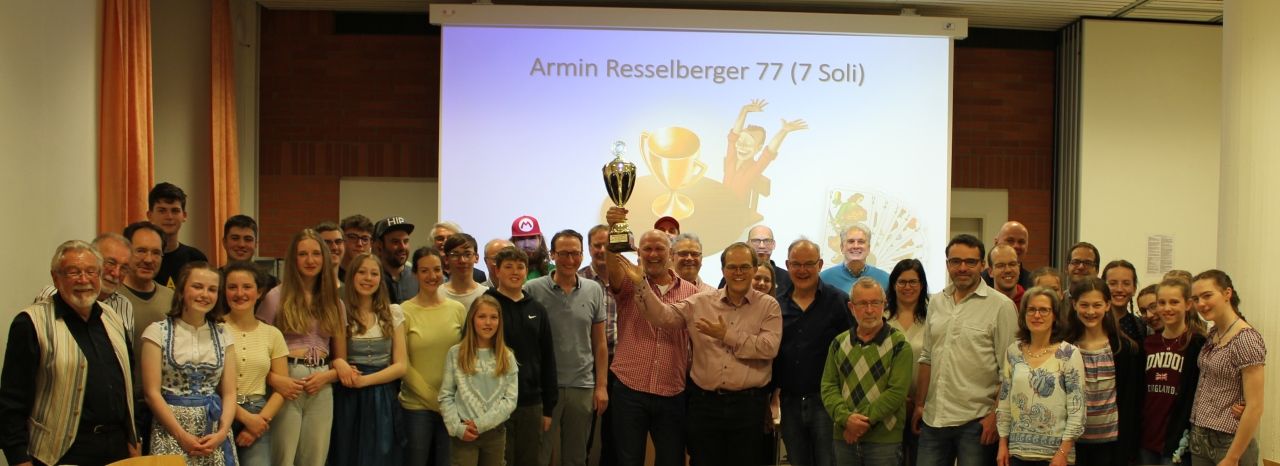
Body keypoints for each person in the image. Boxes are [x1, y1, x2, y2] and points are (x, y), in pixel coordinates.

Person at [618, 241, 782, 466]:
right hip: (705, 405)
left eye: (744, 267)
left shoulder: (769, 306)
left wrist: (726, 335)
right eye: (732, 267)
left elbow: (769, 347)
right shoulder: (700, 301)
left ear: (754, 269)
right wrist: (641, 284)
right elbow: (663, 317)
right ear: (723, 270)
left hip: (748, 406)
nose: (738, 272)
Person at [1, 241, 138, 466]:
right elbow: (12, 401)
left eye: (91, 272)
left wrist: (133, 438)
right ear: (56, 278)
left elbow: (128, 383)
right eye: (73, 272)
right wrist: (19, 458)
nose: (83, 280)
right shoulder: (30, 323)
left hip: (116, 449)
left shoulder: (113, 318)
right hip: (61, 454)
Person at [602, 214, 699, 466]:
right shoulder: (627, 283)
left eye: (659, 249)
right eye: (647, 249)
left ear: (671, 254)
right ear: (638, 253)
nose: (653, 254)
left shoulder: (691, 292)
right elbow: (612, 265)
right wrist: (614, 228)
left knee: (671, 460)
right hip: (629, 389)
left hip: (671, 391)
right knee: (628, 460)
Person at [913, 234, 1018, 466]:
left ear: (983, 265)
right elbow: (927, 357)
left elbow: (1010, 370)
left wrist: (996, 416)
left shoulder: (1001, 306)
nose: (962, 268)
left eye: (970, 262)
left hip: (976, 422)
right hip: (933, 419)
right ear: (947, 264)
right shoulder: (937, 301)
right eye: (955, 261)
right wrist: (920, 404)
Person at [257, 229, 349, 466]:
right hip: (287, 383)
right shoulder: (275, 297)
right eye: (303, 254)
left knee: (315, 459)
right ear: (293, 259)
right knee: (283, 458)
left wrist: (326, 376)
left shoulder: (335, 302)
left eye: (316, 254)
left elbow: (341, 360)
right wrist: (275, 380)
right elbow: (257, 351)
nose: (310, 260)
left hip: (321, 385)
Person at [140, 262, 238, 465]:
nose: (205, 294)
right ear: (182, 289)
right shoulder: (157, 332)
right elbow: (151, 393)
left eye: (212, 289)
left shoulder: (224, 334)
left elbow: (229, 393)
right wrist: (181, 435)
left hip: (213, 431)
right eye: (197, 286)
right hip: (171, 430)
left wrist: (222, 433)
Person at [525, 230, 607, 466]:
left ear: (582, 255)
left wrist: (601, 386)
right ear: (552, 254)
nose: (570, 260)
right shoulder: (532, 289)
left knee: (576, 457)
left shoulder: (593, 289)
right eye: (563, 254)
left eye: (575, 253)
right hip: (544, 387)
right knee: (538, 455)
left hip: (582, 386)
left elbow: (600, 343)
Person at [820, 277, 912, 465]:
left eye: (875, 303)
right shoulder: (838, 343)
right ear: (851, 307)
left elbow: (896, 393)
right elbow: (828, 386)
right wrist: (846, 419)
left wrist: (858, 424)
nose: (869, 310)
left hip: (884, 441)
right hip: (844, 438)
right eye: (862, 304)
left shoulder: (900, 345)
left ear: (884, 304)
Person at [775, 239, 850, 466]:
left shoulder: (839, 301)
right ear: (787, 265)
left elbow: (851, 350)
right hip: (789, 402)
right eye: (796, 264)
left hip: (827, 402)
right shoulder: (776, 305)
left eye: (809, 264)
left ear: (820, 264)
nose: (802, 270)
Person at [329, 252, 408, 465]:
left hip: (382, 395)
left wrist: (365, 381)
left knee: (381, 455)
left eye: (374, 273)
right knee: (348, 452)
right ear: (352, 276)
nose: (368, 278)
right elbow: (339, 358)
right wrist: (340, 364)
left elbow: (401, 366)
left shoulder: (392, 312)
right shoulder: (341, 311)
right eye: (362, 272)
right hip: (348, 396)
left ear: (380, 279)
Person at [996, 287, 1086, 466]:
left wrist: (1063, 452)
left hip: (1055, 457)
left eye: (1044, 310)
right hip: (1016, 453)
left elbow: (1077, 409)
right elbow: (1005, 402)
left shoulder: (1069, 353)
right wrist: (1002, 444)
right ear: (1024, 315)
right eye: (1031, 309)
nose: (1037, 315)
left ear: (1055, 316)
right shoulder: (1013, 352)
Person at [485, 246, 558, 466]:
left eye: (520, 267)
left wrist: (547, 408)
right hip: (493, 401)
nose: (515, 272)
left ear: (527, 271)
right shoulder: (485, 306)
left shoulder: (537, 309)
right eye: (508, 267)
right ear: (497, 271)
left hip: (530, 403)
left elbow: (547, 358)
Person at [1187, 270, 1265, 466]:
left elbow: (1255, 406)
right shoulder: (1214, 332)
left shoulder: (1246, 338)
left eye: (1207, 295)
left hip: (1229, 441)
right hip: (1200, 436)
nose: (1201, 304)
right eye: (1196, 299)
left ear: (1227, 293)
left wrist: (1232, 457)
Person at [1064, 276, 1142, 466]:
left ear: (1107, 305)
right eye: (1084, 305)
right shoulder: (1064, 347)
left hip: (1112, 444)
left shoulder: (1124, 348)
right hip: (1072, 443)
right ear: (1074, 305)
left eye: (1097, 305)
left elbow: (1132, 401)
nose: (1090, 311)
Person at [400, 247, 467, 466]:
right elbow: (403, 363)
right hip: (416, 407)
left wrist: (449, 402)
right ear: (415, 274)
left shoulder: (457, 309)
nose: (432, 276)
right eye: (425, 270)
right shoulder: (403, 311)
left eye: (437, 269)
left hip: (452, 405)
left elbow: (465, 356)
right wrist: (436, 401)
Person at [440, 295, 520, 466]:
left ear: (500, 321)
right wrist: (457, 428)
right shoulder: (456, 354)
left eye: (494, 317)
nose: (488, 323)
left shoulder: (507, 357)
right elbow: (446, 396)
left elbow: (510, 400)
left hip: (495, 433)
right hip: (464, 433)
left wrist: (481, 424)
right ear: (472, 319)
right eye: (482, 316)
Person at [222, 262, 289, 466]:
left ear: (259, 292)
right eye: (232, 287)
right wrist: (245, 418)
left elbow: (282, 389)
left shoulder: (272, 334)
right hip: (220, 411)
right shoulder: (214, 328)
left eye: (247, 287)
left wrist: (257, 423)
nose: (239, 293)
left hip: (258, 413)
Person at [1139, 278, 1206, 465]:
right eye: (1161, 303)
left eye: (1174, 302)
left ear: (1188, 304)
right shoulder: (1148, 344)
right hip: (1147, 436)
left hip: (1178, 439)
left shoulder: (1197, 343)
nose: (1167, 308)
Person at [34, 233, 137, 343]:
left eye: (124, 268)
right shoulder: (52, 295)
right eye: (110, 263)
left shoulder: (124, 305)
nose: (116, 273)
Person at [578, 224, 619, 466]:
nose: (602, 250)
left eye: (608, 245)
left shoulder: (627, 280)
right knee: (583, 433)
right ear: (589, 247)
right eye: (597, 245)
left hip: (621, 367)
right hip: (587, 365)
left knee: (614, 436)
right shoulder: (579, 280)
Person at [723, 98, 807, 205]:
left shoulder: (753, 169)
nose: (742, 146)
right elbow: (734, 136)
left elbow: (768, 153)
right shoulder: (731, 158)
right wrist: (744, 111)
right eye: (740, 141)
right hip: (720, 202)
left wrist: (784, 131)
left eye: (749, 143)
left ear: (758, 148)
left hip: (734, 209)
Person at [886, 259, 929, 466]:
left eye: (913, 282)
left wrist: (920, 401)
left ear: (922, 285)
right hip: (889, 406)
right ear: (893, 285)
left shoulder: (933, 318)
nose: (907, 287)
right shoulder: (882, 318)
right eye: (902, 282)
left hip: (925, 406)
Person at [120, 221, 178, 346]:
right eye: (141, 251)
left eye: (156, 253)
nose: (148, 259)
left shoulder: (171, 298)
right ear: (125, 252)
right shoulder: (111, 297)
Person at [147, 182, 209, 288]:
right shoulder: (141, 259)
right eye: (162, 211)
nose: (169, 217)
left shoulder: (196, 259)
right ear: (150, 215)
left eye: (175, 211)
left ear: (184, 216)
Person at [719, 224, 790, 297]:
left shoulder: (787, 278)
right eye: (756, 241)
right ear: (747, 244)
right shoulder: (734, 275)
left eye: (767, 241)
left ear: (773, 245)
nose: (761, 246)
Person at [820, 224, 890, 293]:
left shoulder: (885, 279)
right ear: (842, 247)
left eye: (861, 242)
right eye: (851, 241)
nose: (856, 246)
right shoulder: (824, 278)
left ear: (868, 248)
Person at [221, 215, 278, 294]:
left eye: (248, 239)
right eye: (235, 238)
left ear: (256, 244)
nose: (241, 244)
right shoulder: (213, 280)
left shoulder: (271, 285)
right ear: (224, 242)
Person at [374, 216, 417, 304]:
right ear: (379, 245)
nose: (402, 247)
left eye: (405, 241)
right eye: (395, 242)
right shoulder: (371, 278)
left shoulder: (417, 277)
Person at [442, 234, 489, 311]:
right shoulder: (436, 294)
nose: (462, 260)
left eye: (467, 254)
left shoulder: (486, 294)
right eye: (455, 255)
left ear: (476, 257)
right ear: (446, 259)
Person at [1102, 260, 1145, 343]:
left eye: (1126, 283)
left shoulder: (1141, 327)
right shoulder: (1093, 322)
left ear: (1134, 289)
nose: (1119, 289)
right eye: (1113, 283)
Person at [982, 221, 1034, 289]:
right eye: (1010, 240)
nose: (1016, 246)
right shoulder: (979, 283)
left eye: (1021, 242)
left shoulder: (1034, 284)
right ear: (996, 243)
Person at [510, 215, 554, 281]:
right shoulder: (506, 274)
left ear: (540, 239)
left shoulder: (554, 272)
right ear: (513, 242)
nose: (527, 245)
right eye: (521, 239)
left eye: (532, 238)